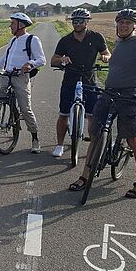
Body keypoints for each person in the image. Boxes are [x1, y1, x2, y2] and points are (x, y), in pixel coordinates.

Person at [68, 9, 136, 198]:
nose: (124, 26)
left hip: (129, 96)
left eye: (128, 23)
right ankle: (85, 176)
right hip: (109, 93)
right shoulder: (118, 43)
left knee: (132, 139)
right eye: (121, 22)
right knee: (95, 133)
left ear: (135, 25)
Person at [50, 8, 111, 158]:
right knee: (64, 114)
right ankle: (60, 145)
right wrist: (61, 60)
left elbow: (107, 53)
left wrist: (106, 57)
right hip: (70, 79)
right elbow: (53, 60)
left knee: (92, 115)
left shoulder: (96, 37)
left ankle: (93, 145)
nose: (77, 24)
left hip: (89, 79)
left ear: (87, 22)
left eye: (81, 21)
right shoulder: (65, 40)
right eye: (75, 21)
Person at [0, 12, 46, 153]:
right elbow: (4, 58)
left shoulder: (32, 40)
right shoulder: (13, 40)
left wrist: (30, 64)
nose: (10, 25)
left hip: (21, 77)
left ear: (21, 25)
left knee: (25, 108)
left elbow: (42, 59)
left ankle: (35, 138)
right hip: (6, 75)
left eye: (13, 23)